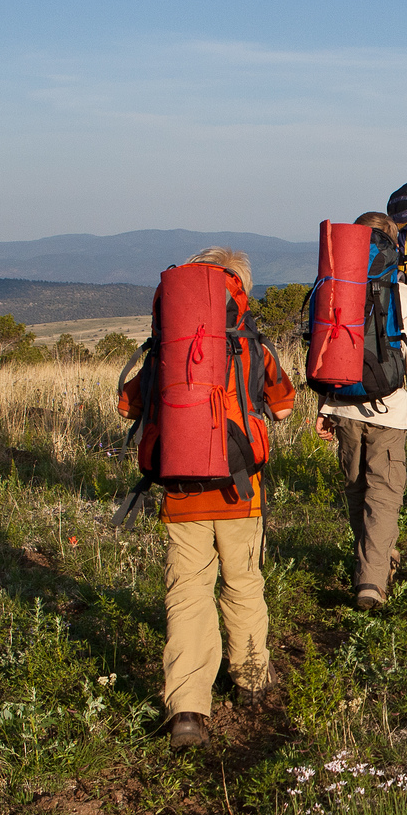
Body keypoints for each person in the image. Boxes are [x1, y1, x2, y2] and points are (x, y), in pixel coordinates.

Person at [117, 246, 295, 750]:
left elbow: (125, 404)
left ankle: (189, 710)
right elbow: (282, 407)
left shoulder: (167, 348)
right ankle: (252, 681)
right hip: (240, 489)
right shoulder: (252, 346)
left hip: (180, 491)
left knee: (187, 594)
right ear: (236, 291)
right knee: (242, 582)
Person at [314, 212, 407, 610]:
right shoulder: (402, 294)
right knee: (384, 494)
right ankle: (371, 583)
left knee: (357, 490)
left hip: (343, 406)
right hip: (389, 409)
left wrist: (324, 406)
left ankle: (379, 563)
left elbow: (323, 354)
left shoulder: (332, 289)